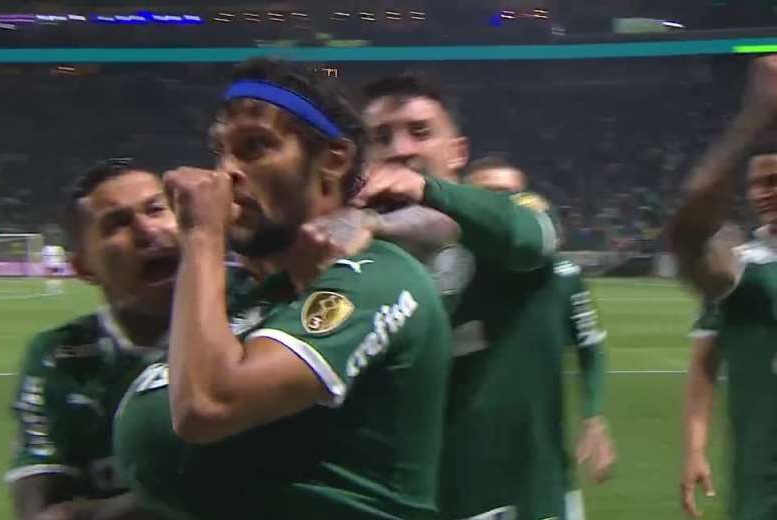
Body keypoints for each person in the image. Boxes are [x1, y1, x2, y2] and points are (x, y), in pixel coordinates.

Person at [112, 58, 454, 519]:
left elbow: (208, 404)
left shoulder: (376, 275)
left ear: (333, 160)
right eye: (220, 151)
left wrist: (202, 234)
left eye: (254, 147)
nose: (226, 173)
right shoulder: (254, 296)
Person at [357, 75, 615, 519]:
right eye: (382, 138)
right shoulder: (357, 256)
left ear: (457, 151)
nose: (400, 149)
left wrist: (426, 192)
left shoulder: (509, 220)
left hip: (518, 504)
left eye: (420, 131)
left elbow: (530, 236)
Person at [6, 160, 174, 520]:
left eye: (157, 209)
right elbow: (42, 514)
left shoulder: (255, 313)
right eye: (117, 223)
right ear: (84, 268)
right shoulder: (59, 356)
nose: (147, 230)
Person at [464, 156, 615, 520]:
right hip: (465, 475)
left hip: (546, 476)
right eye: (488, 193)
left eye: (511, 193)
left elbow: (591, 347)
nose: (503, 204)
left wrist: (594, 416)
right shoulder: (448, 276)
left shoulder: (562, 275)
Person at [670, 56, 777, 520]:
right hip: (763, 493)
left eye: (774, 181)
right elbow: (704, 363)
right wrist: (752, 121)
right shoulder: (741, 267)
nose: (764, 192)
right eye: (756, 184)